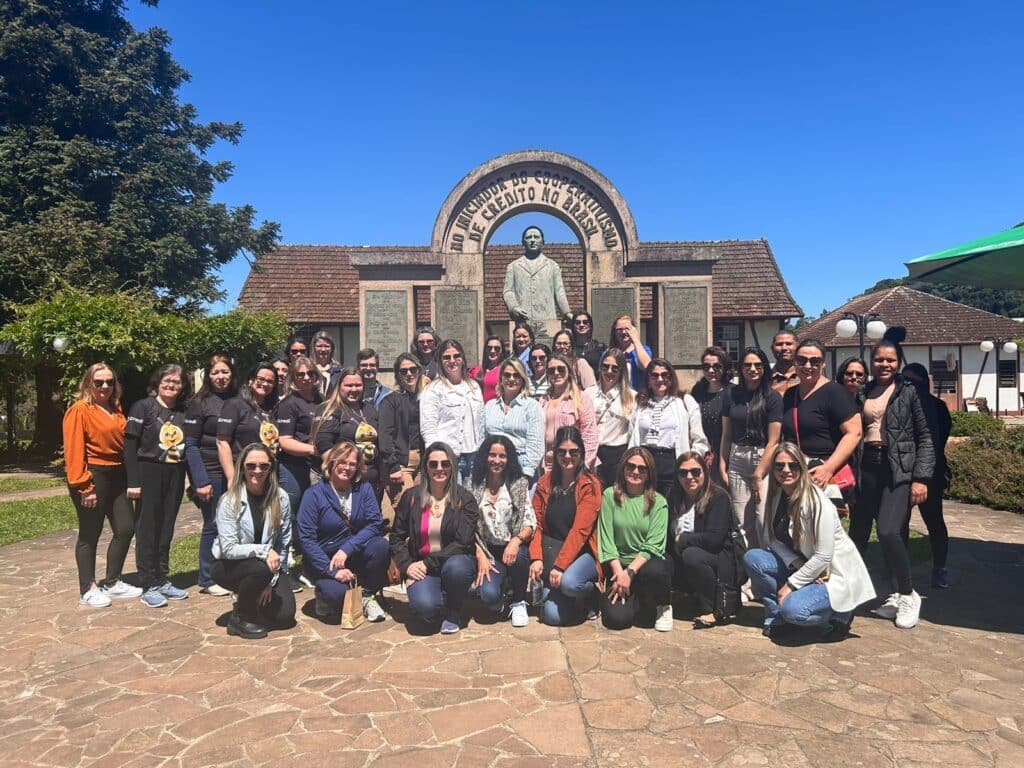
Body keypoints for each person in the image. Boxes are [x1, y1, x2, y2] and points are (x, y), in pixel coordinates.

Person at [743, 443, 875, 641]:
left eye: (793, 465)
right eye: (779, 466)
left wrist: (791, 584)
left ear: (802, 468)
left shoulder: (816, 502)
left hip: (830, 574)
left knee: (794, 610)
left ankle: (840, 614)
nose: (786, 470)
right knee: (754, 558)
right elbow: (773, 538)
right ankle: (776, 618)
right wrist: (798, 564)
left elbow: (823, 556)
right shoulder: (777, 494)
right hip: (804, 564)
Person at [848, 331, 934, 630]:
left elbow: (926, 436)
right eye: (879, 359)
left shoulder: (909, 391)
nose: (884, 364)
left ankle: (909, 593)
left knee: (887, 531)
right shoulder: (863, 391)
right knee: (860, 531)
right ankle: (894, 594)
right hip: (867, 466)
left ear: (898, 362)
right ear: (871, 362)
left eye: (890, 360)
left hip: (898, 469)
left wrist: (921, 477)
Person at [63, 363, 140, 608]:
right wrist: (84, 486)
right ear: (88, 384)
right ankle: (87, 588)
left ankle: (113, 581)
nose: (105, 386)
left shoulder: (115, 409)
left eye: (109, 381)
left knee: (126, 528)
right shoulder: (80, 410)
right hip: (93, 476)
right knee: (90, 534)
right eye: (98, 382)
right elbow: (74, 452)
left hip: (118, 475)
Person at [390, 442, 478, 634]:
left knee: (458, 569)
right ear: (426, 467)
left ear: (453, 466)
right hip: (421, 567)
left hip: (452, 563)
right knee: (426, 612)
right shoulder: (411, 497)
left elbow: (463, 543)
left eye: (445, 464)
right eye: (434, 464)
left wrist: (428, 563)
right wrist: (407, 566)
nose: (440, 469)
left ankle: (454, 610)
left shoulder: (465, 499)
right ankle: (435, 599)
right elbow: (396, 537)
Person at [211, 444, 295, 639]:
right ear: (242, 467)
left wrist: (270, 581)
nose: (257, 471)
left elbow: (284, 541)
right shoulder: (229, 500)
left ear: (271, 468)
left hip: (269, 568)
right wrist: (264, 551)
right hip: (229, 565)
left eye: (263, 466)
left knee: (285, 616)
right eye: (251, 466)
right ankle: (241, 617)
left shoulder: (280, 498)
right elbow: (229, 549)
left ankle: (253, 599)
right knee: (259, 569)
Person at [298, 442, 389, 622]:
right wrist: (333, 572)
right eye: (342, 462)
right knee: (338, 596)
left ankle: (367, 596)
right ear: (331, 463)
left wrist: (347, 549)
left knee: (380, 546)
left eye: (352, 464)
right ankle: (325, 596)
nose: (347, 467)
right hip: (327, 561)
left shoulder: (363, 488)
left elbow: (374, 524)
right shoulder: (314, 494)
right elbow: (306, 539)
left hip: (353, 553)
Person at [126, 364, 190, 608]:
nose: (171, 385)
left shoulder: (184, 411)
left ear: (183, 386)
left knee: (167, 526)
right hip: (148, 470)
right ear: (158, 382)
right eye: (167, 380)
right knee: (148, 527)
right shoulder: (143, 407)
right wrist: (133, 481)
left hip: (175, 471)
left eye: (177, 382)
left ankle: (162, 577)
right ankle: (147, 582)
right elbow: (130, 446)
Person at [529, 426, 602, 626]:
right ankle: (562, 591)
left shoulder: (590, 485)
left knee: (569, 584)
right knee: (552, 617)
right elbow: (535, 523)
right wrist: (536, 557)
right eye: (561, 451)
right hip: (553, 550)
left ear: (581, 454)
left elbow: (580, 531)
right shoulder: (545, 483)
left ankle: (589, 593)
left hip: (582, 553)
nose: (567, 456)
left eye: (573, 452)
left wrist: (560, 567)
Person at [780, 339, 862, 508]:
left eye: (815, 361)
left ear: (823, 364)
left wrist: (828, 469)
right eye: (802, 360)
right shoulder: (790, 394)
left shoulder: (835, 392)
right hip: (796, 471)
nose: (808, 366)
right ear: (795, 363)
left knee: (823, 530)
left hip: (823, 474)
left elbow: (854, 433)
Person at [598, 447, 673, 631]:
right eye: (630, 466)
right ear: (623, 468)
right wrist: (619, 573)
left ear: (649, 473)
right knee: (616, 621)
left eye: (642, 468)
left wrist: (629, 573)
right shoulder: (609, 495)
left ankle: (663, 605)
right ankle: (635, 600)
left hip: (645, 565)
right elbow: (606, 538)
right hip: (618, 566)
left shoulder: (659, 502)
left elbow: (654, 545)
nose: (635, 472)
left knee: (656, 571)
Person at [668, 451, 742, 628]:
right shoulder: (675, 497)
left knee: (691, 555)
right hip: (691, 558)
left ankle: (711, 608)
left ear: (705, 472)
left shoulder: (718, 497)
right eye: (683, 472)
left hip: (720, 559)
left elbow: (714, 539)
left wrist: (682, 539)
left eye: (695, 471)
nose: (689, 477)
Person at [719, 347, 783, 548]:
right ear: (741, 368)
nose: (752, 369)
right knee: (742, 521)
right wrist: (723, 463)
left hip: (763, 456)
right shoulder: (730, 395)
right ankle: (750, 568)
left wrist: (758, 474)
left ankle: (767, 566)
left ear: (765, 368)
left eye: (757, 365)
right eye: (747, 365)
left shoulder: (772, 397)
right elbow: (726, 434)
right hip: (737, 456)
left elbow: (774, 440)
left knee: (763, 519)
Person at [185, 355, 237, 597]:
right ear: (208, 375)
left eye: (225, 372)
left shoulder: (238, 399)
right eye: (216, 372)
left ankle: (229, 572)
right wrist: (200, 481)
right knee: (213, 524)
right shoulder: (199, 403)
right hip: (212, 472)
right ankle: (206, 577)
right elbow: (191, 444)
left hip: (238, 470)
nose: (221, 377)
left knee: (235, 525)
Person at [470, 435, 535, 627]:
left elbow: (529, 522)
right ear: (484, 456)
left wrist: (516, 541)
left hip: (513, 549)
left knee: (521, 555)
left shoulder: (518, 484)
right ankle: (505, 605)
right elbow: (466, 526)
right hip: (488, 552)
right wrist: (479, 554)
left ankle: (519, 600)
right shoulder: (474, 485)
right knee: (488, 597)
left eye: (502, 456)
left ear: (509, 459)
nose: (497, 460)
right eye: (492, 455)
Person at [901, 363, 953, 589]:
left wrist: (921, 476)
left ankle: (940, 567)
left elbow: (935, 443)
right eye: (905, 381)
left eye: (914, 382)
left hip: (929, 475)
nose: (910, 386)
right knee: (899, 525)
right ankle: (900, 572)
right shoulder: (899, 406)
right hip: (900, 474)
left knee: (934, 522)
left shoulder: (937, 406)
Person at [628, 359, 709, 498]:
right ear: (648, 379)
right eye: (654, 375)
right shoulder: (640, 403)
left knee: (673, 510)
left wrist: (690, 462)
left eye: (665, 375)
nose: (660, 379)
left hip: (673, 464)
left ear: (671, 378)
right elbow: (631, 434)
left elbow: (699, 438)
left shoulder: (685, 401)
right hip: (645, 464)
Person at [275, 354, 323, 587]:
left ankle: (310, 566)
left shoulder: (322, 400)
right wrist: (315, 450)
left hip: (317, 467)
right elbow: (284, 440)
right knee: (289, 517)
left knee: (313, 517)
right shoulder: (288, 404)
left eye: (310, 373)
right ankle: (283, 569)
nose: (306, 378)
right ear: (293, 377)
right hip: (293, 467)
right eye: (300, 374)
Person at [419, 340, 485, 484]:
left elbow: (481, 422)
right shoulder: (433, 390)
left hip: (475, 456)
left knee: (473, 503)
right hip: (450, 458)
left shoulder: (474, 387)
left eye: (456, 356)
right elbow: (428, 429)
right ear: (440, 361)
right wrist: (437, 460)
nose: (452, 361)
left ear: (463, 359)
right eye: (446, 357)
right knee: (453, 503)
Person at [313, 367, 381, 495]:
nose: (354, 389)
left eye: (358, 385)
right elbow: (324, 446)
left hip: (372, 483)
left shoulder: (369, 409)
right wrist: (346, 474)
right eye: (349, 385)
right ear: (339, 386)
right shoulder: (329, 409)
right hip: (344, 482)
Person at [503, 225, 573, 341]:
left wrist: (566, 313)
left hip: (548, 320)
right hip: (523, 322)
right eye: (528, 237)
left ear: (542, 242)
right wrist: (514, 307)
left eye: (536, 237)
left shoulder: (553, 266)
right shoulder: (513, 266)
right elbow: (508, 291)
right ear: (523, 242)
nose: (532, 240)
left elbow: (559, 292)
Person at [378, 352, 425, 524]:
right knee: (408, 510)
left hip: (422, 463)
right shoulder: (390, 401)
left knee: (421, 511)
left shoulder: (424, 398)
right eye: (403, 371)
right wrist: (393, 466)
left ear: (419, 371)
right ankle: (400, 549)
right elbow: (384, 436)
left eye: (413, 369)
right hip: (400, 462)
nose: (409, 374)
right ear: (398, 374)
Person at [216, 362, 279, 486]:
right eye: (261, 379)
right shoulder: (235, 405)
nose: (265, 384)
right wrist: (231, 477)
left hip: (267, 474)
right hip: (243, 474)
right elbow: (222, 441)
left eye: (270, 381)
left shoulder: (272, 409)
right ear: (251, 380)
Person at [483, 357, 544, 481]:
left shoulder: (531, 406)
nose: (511, 379)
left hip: (520, 464)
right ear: (501, 379)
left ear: (522, 379)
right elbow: (482, 438)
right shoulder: (490, 406)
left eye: (516, 375)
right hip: (492, 466)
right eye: (507, 375)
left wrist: (526, 473)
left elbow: (535, 444)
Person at [584, 348, 636, 488]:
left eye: (615, 368)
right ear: (600, 368)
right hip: (592, 455)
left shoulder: (632, 397)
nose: (609, 371)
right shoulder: (588, 394)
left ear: (622, 371)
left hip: (617, 457)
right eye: (605, 366)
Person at [540, 353, 598, 471]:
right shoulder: (543, 400)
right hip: (548, 466)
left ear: (569, 372)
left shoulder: (582, 399)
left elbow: (590, 436)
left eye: (561, 369)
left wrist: (582, 466)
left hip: (573, 465)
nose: (556, 373)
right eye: (551, 370)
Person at [691, 346, 733, 485]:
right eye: (706, 366)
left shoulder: (733, 392)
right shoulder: (698, 391)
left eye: (717, 366)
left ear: (725, 367)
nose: (711, 370)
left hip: (725, 453)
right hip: (703, 452)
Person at [609, 314, 652, 391]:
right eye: (619, 329)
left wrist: (635, 339)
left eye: (627, 329)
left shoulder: (644, 349)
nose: (624, 332)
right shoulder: (610, 353)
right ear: (614, 332)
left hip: (637, 396)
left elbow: (646, 366)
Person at [469, 335, 504, 403]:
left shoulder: (505, 370)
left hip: (496, 410)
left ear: (502, 351)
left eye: (497, 348)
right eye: (489, 348)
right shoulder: (476, 371)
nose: (492, 351)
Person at [311, 330, 343, 397]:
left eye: (327, 346)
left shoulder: (339, 371)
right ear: (313, 347)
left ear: (332, 348)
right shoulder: (308, 369)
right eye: (319, 346)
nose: (323, 350)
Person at [769, 330, 799, 395]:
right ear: (772, 348)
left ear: (798, 347)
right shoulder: (765, 378)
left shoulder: (807, 376)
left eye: (788, 344)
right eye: (779, 344)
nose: (784, 348)